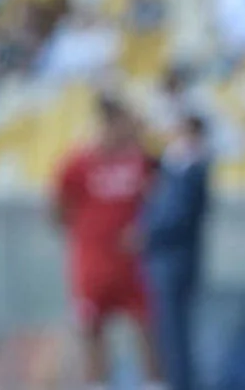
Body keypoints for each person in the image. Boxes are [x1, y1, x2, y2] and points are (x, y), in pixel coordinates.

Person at [53, 94, 163, 390]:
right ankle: (97, 384)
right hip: (92, 261)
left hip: (133, 263)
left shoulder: (141, 160)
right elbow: (59, 207)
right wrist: (87, 232)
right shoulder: (78, 163)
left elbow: (162, 200)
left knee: (147, 326)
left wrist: (145, 230)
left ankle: (153, 383)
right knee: (91, 327)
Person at [142, 114, 212, 390]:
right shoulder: (174, 170)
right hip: (168, 261)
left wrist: (148, 234)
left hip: (177, 261)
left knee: (176, 332)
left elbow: (177, 216)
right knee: (169, 331)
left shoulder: (192, 172)